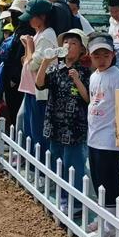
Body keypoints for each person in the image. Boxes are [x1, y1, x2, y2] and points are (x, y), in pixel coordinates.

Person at [35, 29, 91, 213]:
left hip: (74, 126)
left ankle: (76, 203)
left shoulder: (84, 72)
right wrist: (45, 62)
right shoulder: (55, 69)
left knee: (73, 164)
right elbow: (39, 84)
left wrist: (76, 79)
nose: (68, 46)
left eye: (73, 43)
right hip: (55, 123)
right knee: (57, 161)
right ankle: (62, 196)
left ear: (82, 50)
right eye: (66, 42)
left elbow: (87, 98)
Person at [86, 33, 119, 237]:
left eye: (105, 54)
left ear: (113, 55)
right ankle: (104, 218)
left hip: (110, 139)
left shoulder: (117, 76)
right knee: (98, 181)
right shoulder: (94, 76)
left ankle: (112, 228)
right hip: (94, 137)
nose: (101, 59)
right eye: (96, 55)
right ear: (90, 56)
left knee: (109, 182)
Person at [18, 0, 57, 162]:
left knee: (38, 133)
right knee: (29, 131)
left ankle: (40, 169)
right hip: (31, 90)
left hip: (39, 93)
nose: (30, 21)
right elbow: (26, 61)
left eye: (32, 17)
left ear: (42, 16)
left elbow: (32, 64)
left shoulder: (47, 36)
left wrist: (29, 46)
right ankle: (32, 165)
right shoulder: (39, 34)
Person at [3, 0, 32, 128]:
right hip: (12, 76)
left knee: (16, 108)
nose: (14, 16)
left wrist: (14, 78)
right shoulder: (18, 30)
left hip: (17, 79)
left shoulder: (25, 31)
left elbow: (19, 57)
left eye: (17, 14)